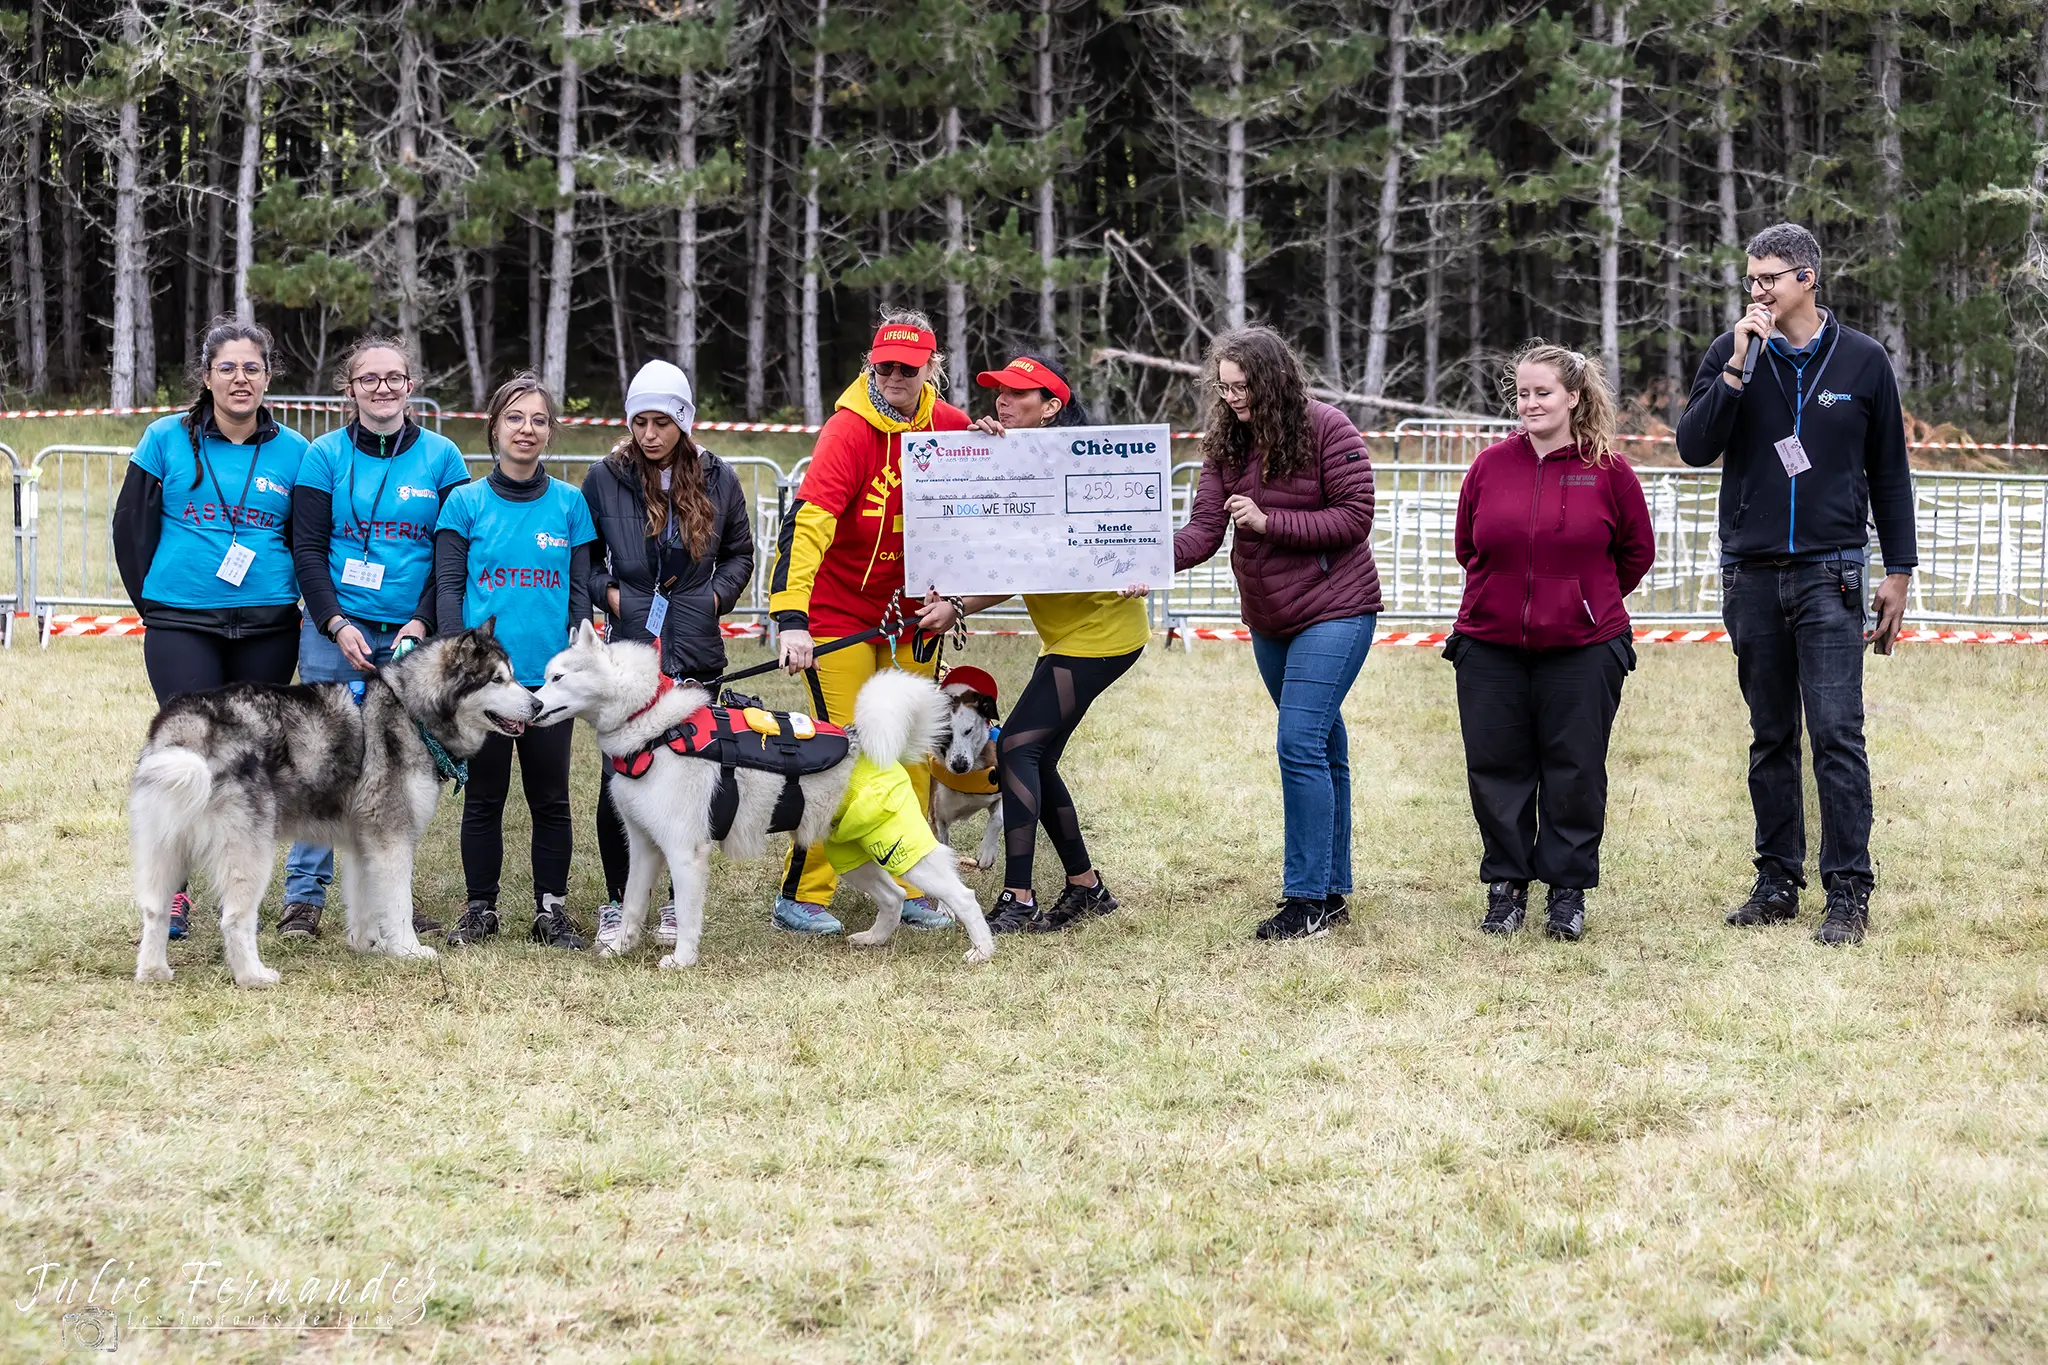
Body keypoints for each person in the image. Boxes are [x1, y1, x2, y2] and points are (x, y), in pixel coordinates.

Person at [1675, 222, 1916, 947]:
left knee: (1837, 734)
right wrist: (1737, 367)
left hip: (1832, 571)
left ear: (1807, 278)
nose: (1757, 290)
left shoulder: (1865, 361)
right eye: (1750, 279)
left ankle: (1848, 891)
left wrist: (1898, 571)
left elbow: (1890, 474)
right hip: (1751, 572)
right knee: (1770, 733)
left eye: (1769, 278)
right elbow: (1693, 446)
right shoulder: (1731, 353)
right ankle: (1777, 880)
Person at [916, 352, 1150, 934]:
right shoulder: (1006, 461)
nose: (1002, 400)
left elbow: (1131, 534)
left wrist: (1140, 561)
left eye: (1019, 394)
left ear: (1051, 409)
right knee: (1035, 754)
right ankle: (1085, 887)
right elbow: (1009, 566)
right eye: (998, 391)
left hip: (1104, 632)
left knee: (1018, 746)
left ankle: (1019, 896)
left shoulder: (1084, 468)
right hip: (1068, 636)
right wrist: (975, 461)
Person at [1173, 326, 1381, 942]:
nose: (1234, 399)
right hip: (1271, 617)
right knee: (1322, 747)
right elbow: (1202, 532)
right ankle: (1333, 889)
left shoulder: (1328, 428)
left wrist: (1268, 521)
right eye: (1225, 388)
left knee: (1297, 742)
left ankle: (1305, 899)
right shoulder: (1227, 444)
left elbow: (1355, 517)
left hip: (1336, 607)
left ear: (1274, 379)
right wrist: (1139, 558)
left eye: (1244, 387)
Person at [766, 310, 970, 935]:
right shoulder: (847, 430)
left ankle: (911, 885)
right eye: (884, 366)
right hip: (836, 611)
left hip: (912, 616)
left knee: (909, 750)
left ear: (931, 367)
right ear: (870, 364)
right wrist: (792, 617)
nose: (895, 377)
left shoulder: (952, 427)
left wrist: (957, 599)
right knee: (841, 748)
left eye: (908, 368)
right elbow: (810, 525)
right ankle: (804, 893)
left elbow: (985, 518)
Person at [1445, 344, 1654, 942]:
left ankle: (1567, 890)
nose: (1530, 403)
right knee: (1497, 767)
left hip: (1585, 647)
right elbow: (1469, 546)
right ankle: (1507, 885)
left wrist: (1584, 598)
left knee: (1575, 769)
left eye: (1542, 392)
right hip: (1489, 644)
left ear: (1573, 397)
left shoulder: (1609, 470)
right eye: (1522, 392)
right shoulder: (1488, 466)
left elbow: (1636, 551)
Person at [112, 315, 310, 942]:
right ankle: (171, 894)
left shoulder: (295, 453)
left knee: (248, 761)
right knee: (184, 754)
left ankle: (238, 891)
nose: (240, 378)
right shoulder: (165, 439)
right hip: (182, 624)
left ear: (268, 378)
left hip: (268, 625)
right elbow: (130, 529)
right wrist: (158, 603)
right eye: (227, 367)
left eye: (252, 367)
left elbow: (304, 539)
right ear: (207, 376)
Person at [280, 337, 471, 940]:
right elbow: (307, 550)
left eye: (395, 378)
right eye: (370, 379)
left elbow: (449, 557)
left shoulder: (442, 458)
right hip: (334, 632)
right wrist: (335, 622)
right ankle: (304, 898)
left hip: (411, 638)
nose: (383, 388)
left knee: (399, 764)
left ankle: (391, 894)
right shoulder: (323, 455)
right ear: (351, 388)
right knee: (323, 758)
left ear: (410, 385)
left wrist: (421, 622)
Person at [582, 359, 756, 955]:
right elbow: (586, 558)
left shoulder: (719, 477)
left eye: (662, 421)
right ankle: (617, 902)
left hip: (695, 650)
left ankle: (680, 905)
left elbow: (740, 552)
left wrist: (713, 597)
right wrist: (611, 594)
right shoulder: (604, 478)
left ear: (684, 421)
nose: (650, 434)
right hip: (631, 657)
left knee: (686, 783)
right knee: (622, 780)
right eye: (640, 421)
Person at [433, 373, 598, 951]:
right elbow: (448, 593)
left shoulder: (572, 505)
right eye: (515, 418)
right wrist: (464, 673)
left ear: (549, 432)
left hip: (546, 687)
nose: (526, 429)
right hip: (486, 689)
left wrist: (571, 671)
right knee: (484, 797)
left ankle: (551, 910)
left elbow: (580, 598)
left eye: (538, 420)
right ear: (495, 427)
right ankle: (481, 908)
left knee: (550, 797)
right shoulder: (464, 503)